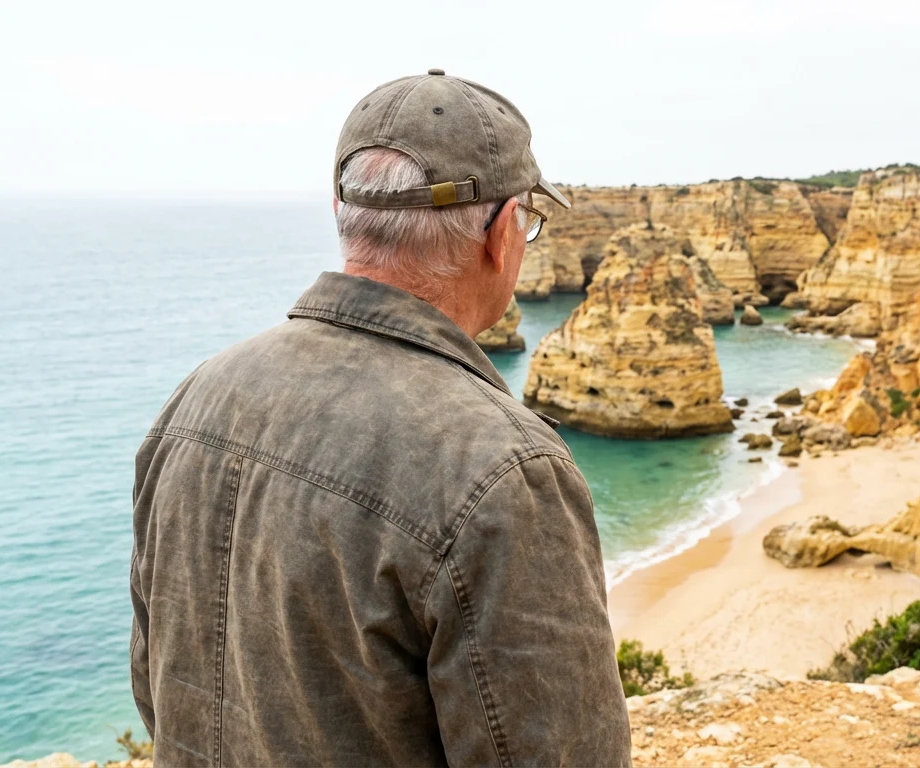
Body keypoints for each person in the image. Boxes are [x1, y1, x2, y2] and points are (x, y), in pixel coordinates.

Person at [130, 70, 633, 767]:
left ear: (343, 211)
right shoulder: (503, 469)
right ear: (501, 234)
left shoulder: (194, 401)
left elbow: (158, 692)